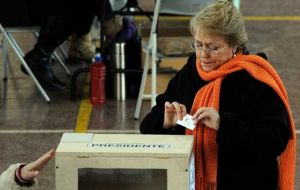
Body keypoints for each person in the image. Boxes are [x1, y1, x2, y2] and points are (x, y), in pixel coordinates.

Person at [140, 1, 296, 190]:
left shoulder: (256, 80)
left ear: (235, 47)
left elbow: (275, 140)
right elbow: (147, 126)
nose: (203, 55)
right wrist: (166, 122)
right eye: (198, 45)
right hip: (191, 182)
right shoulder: (190, 73)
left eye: (213, 48)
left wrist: (224, 125)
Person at [21, 0, 122, 91]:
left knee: (85, 3)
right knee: (75, 4)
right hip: (16, 8)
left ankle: (41, 54)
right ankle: (39, 57)